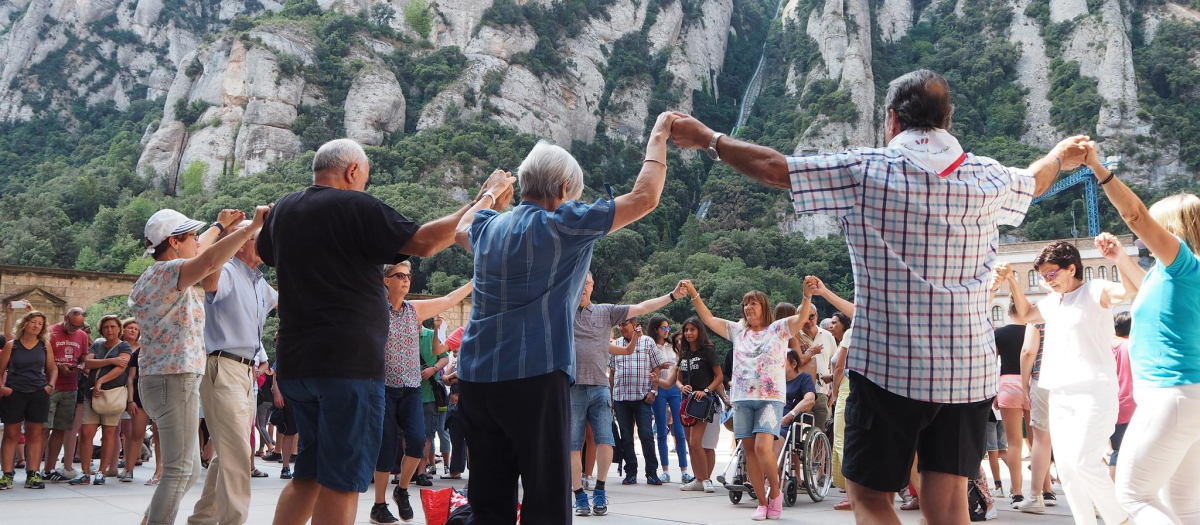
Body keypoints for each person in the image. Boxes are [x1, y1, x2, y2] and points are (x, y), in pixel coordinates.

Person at [669, 68, 1091, 524]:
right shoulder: (988, 178)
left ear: (891, 120)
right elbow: (1037, 178)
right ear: (947, 120)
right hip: (968, 372)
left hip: (889, 367)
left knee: (870, 499)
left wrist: (708, 138)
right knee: (948, 502)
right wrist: (1059, 154)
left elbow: (774, 168)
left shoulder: (864, 170)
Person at [257, 138, 511, 525]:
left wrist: (481, 199)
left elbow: (266, 252)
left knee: (309, 472)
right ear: (353, 171)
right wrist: (488, 199)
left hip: (296, 365)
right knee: (342, 481)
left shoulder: (284, 210)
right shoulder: (355, 205)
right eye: (365, 178)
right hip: (346, 366)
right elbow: (424, 242)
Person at [453, 112, 678, 524]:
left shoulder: (488, 225)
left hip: (475, 376)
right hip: (533, 375)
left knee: (487, 501)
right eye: (573, 196)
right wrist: (660, 134)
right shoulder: (563, 224)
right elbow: (645, 198)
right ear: (561, 190)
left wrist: (490, 193)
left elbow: (460, 228)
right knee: (546, 498)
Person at [129, 206, 267, 525]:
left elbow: (203, 253)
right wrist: (248, 230)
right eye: (192, 236)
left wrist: (220, 226)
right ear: (175, 242)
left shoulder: (163, 272)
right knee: (179, 471)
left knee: (187, 469)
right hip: (171, 379)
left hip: (174, 379)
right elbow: (208, 261)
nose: (197, 241)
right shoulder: (167, 272)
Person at [1084, 146, 1200, 524]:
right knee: (1183, 505)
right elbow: (1144, 288)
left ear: (1172, 228)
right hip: (1189, 396)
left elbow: (1134, 215)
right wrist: (1120, 260)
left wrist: (1097, 167)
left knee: (1132, 496)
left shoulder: (1180, 260)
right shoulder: (1177, 274)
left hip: (1170, 395)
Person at [1009, 240, 1135, 525]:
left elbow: (1128, 290)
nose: (1046, 281)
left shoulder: (1094, 290)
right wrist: (1011, 281)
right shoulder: (1054, 301)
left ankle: (1120, 520)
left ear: (1072, 268)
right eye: (1042, 276)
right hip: (1060, 392)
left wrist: (1118, 257)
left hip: (1094, 391)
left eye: (1051, 274)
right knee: (1067, 469)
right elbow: (1027, 315)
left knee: (1084, 462)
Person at [684, 280, 812, 520]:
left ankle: (775, 493)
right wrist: (693, 293)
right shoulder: (738, 331)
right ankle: (762, 504)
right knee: (749, 451)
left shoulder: (778, 329)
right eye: (745, 304)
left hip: (770, 399)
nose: (748, 308)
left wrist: (807, 296)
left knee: (764, 448)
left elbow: (801, 318)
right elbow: (709, 319)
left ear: (763, 306)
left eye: (753, 303)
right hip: (742, 399)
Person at [185, 217, 279, 525]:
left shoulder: (259, 282)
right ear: (241, 245)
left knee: (229, 451)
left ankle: (201, 520)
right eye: (258, 238)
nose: (266, 243)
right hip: (222, 366)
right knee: (239, 452)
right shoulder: (225, 272)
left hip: (247, 372)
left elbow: (293, 301)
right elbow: (206, 276)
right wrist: (228, 232)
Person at [571, 272, 682, 516]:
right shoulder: (562, 312)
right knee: (572, 445)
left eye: (586, 283)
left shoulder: (605, 311)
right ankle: (579, 495)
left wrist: (672, 296)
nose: (582, 288)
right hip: (572, 388)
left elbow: (642, 306)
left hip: (600, 387)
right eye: (577, 282)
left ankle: (599, 490)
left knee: (605, 441)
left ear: (592, 286)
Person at [373, 262, 472, 524]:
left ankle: (402, 490)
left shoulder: (414, 311)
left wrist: (476, 281)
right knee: (386, 447)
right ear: (386, 281)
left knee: (418, 442)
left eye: (408, 276)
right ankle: (379, 505)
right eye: (400, 276)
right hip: (383, 388)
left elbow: (450, 298)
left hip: (411, 388)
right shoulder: (374, 310)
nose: (406, 280)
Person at [68, 315, 132, 486]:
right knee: (86, 433)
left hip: (112, 395)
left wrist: (101, 381)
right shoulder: (97, 344)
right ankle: (85, 472)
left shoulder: (124, 345)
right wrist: (111, 360)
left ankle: (101, 472)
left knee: (109, 434)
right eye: (106, 327)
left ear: (119, 329)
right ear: (101, 329)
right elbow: (88, 363)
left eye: (112, 326)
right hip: (91, 395)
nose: (109, 330)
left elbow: (122, 367)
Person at [0, 307, 56, 489]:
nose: (36, 326)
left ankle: (33, 474)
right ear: (25, 324)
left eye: (40, 324)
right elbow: (0, 371)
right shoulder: (12, 345)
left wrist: (50, 386)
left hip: (38, 393)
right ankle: (7, 474)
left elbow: (52, 368)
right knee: (10, 435)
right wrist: (3, 389)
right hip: (14, 392)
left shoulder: (44, 345)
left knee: (35, 435)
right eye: (33, 322)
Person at [610, 317, 667, 487]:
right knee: (626, 437)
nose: (621, 328)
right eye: (619, 325)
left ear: (634, 325)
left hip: (643, 397)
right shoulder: (616, 344)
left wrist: (654, 391)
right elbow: (612, 372)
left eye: (624, 324)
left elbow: (657, 367)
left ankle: (652, 473)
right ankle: (630, 472)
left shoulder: (647, 342)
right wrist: (612, 395)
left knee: (646, 435)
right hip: (621, 398)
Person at [674, 317, 723, 493]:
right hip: (687, 402)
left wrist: (707, 391)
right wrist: (681, 387)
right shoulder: (684, 353)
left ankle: (706, 479)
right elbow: (677, 380)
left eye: (692, 329)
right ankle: (698, 479)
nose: (688, 333)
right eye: (686, 330)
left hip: (703, 402)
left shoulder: (708, 351)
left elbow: (719, 377)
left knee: (697, 443)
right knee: (690, 443)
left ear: (699, 331)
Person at [990, 292, 1029, 507]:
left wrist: (994, 392)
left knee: (1013, 443)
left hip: (1007, 385)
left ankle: (1017, 492)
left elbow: (991, 366)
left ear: (1008, 311)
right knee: (1039, 442)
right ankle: (1044, 492)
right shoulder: (1036, 332)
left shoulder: (1000, 333)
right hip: (1031, 383)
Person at [42, 307, 89, 481]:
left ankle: (49, 469)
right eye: (71, 325)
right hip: (50, 385)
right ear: (65, 318)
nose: (73, 330)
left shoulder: (82, 336)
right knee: (44, 428)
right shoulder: (50, 332)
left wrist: (81, 367)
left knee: (61, 429)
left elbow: (83, 357)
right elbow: (42, 356)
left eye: (78, 327)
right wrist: (57, 365)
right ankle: (34, 469)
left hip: (71, 386)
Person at [646, 314, 690, 484]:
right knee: (661, 431)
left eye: (668, 328)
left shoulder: (673, 347)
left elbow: (679, 366)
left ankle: (684, 471)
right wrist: (658, 367)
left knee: (679, 430)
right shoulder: (650, 345)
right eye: (663, 328)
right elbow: (647, 366)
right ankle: (665, 470)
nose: (666, 331)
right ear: (656, 329)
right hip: (658, 388)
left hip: (673, 388)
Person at [120, 319, 163, 485]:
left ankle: (159, 471)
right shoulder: (138, 353)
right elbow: (131, 378)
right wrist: (130, 400)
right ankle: (129, 469)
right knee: (136, 434)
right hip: (139, 396)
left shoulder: (163, 353)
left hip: (159, 396)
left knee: (159, 436)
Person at [774, 350, 816, 476]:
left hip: (790, 422)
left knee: (777, 434)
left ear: (793, 364)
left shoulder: (804, 378)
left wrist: (790, 414)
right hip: (771, 417)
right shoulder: (774, 380)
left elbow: (810, 399)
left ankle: (770, 477)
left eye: (782, 363)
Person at [420, 318, 451, 482]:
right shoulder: (403, 336)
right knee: (405, 436)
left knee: (428, 435)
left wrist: (433, 369)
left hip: (429, 396)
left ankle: (422, 471)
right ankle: (410, 470)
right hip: (406, 393)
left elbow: (445, 357)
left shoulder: (432, 335)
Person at [1109, 311, 1134, 480]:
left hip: (1110, 403)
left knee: (1116, 449)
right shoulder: (1131, 345)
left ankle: (1113, 490)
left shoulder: (1106, 345)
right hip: (1131, 403)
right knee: (1130, 450)